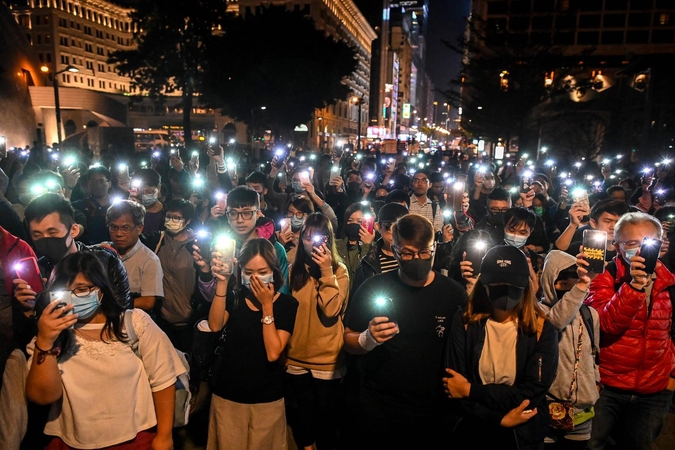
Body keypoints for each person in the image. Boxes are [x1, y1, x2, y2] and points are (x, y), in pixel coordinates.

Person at [24, 252, 185, 449]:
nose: (73, 298)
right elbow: (42, 397)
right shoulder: (50, 334)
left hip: (136, 440)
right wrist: (45, 341)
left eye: (81, 289)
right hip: (70, 443)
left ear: (100, 289)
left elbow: (163, 379)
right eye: (64, 292)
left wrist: (164, 436)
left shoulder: (134, 323)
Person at [342, 213, 467, 446]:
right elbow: (348, 339)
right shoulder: (374, 287)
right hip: (381, 406)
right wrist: (367, 339)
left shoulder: (453, 294)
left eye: (424, 253)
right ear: (395, 249)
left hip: (434, 409)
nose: (417, 259)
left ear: (434, 248)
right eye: (407, 253)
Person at [444, 244, 559, 450]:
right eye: (497, 283)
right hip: (474, 430)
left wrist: (471, 390)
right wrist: (499, 419)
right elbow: (454, 386)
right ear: (484, 284)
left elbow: (532, 391)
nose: (505, 291)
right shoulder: (465, 322)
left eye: (512, 284)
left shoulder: (542, 329)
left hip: (522, 436)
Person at [584, 211, 675, 450]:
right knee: (593, 444)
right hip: (607, 387)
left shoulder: (670, 282)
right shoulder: (604, 277)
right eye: (631, 243)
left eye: (647, 242)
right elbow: (605, 325)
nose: (640, 249)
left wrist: (671, 375)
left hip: (653, 390)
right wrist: (634, 286)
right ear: (617, 246)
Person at [206, 239, 299, 449]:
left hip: (268, 398)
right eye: (248, 272)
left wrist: (267, 307)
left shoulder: (287, 305)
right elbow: (214, 325)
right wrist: (222, 282)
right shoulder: (235, 298)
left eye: (262, 271)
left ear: (274, 271)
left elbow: (274, 352)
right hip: (228, 396)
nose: (255, 278)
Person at [285, 213, 349, 450]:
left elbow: (331, 310)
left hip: (327, 360)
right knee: (303, 414)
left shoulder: (339, 271)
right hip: (296, 355)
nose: (312, 242)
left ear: (329, 239)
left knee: (326, 418)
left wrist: (325, 272)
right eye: (307, 236)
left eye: (318, 236)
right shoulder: (295, 269)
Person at [15, 193, 131, 313]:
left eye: (52, 232)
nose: (46, 239)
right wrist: (28, 309)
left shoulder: (106, 264)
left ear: (74, 230)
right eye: (37, 235)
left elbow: (122, 310)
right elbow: (25, 329)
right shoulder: (37, 273)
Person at [540, 250, 600, 449]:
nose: (570, 290)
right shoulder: (539, 312)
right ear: (549, 282)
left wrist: (596, 381)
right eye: (563, 285)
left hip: (581, 411)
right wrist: (583, 285)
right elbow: (556, 322)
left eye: (574, 284)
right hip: (546, 408)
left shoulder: (591, 314)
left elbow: (594, 353)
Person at [141, 199, 205, 352]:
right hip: (163, 319)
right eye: (168, 217)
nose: (171, 221)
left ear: (188, 220)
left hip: (190, 319)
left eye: (176, 218)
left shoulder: (197, 245)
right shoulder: (157, 240)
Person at [104, 200, 164, 312]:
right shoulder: (103, 251)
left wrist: (114, 304)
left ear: (140, 228)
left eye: (125, 228)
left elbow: (148, 301)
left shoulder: (150, 260)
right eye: (114, 227)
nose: (119, 234)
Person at [349, 202, 409, 297]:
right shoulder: (368, 261)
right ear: (378, 226)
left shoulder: (418, 255)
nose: (395, 234)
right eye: (389, 228)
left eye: (401, 228)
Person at [335, 202, 375, 292]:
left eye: (359, 221)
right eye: (350, 221)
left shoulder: (374, 248)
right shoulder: (336, 245)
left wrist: (367, 245)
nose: (354, 224)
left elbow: (365, 273)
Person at [71, 165, 113, 245]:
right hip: (87, 252)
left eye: (101, 181)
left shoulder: (118, 206)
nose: (97, 185)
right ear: (88, 184)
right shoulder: (79, 205)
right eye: (93, 181)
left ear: (109, 184)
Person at [408, 170, 444, 234]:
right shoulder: (406, 204)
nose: (420, 184)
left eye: (424, 180)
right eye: (416, 180)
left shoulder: (434, 207)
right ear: (412, 184)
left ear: (430, 185)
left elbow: (438, 229)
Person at [131, 168, 165, 233]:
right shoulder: (129, 211)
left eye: (148, 191)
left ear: (159, 188)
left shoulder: (167, 213)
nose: (144, 194)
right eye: (140, 191)